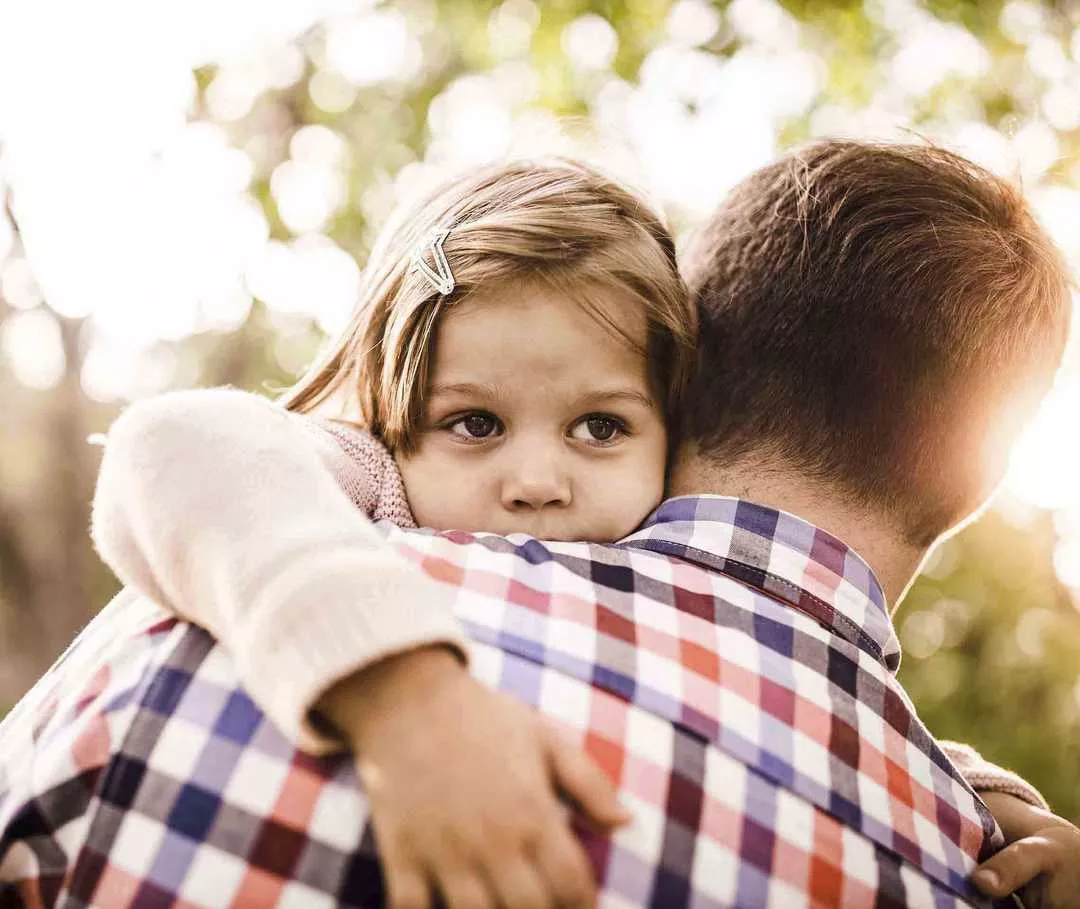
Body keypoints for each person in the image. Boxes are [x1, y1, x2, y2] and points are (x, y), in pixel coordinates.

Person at [2, 142, 1078, 907]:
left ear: (682, 405)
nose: (534, 480)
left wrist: (987, 796)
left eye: (600, 427)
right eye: (473, 423)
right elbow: (177, 445)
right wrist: (402, 695)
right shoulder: (361, 491)